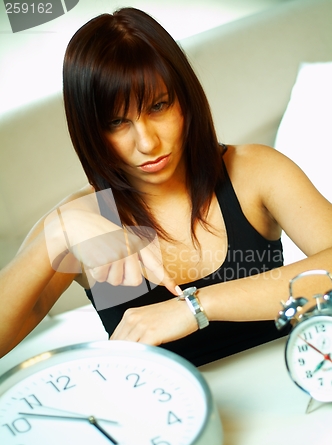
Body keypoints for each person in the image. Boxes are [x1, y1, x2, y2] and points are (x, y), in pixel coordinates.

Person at [0, 8, 331, 365]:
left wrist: (195, 307)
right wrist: (60, 230)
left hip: (288, 397)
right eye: (117, 122)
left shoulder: (253, 171)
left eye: (158, 106)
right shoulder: (80, 221)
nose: (147, 143)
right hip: (166, 417)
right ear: (90, 131)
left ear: (185, 99)